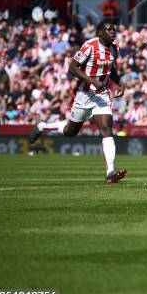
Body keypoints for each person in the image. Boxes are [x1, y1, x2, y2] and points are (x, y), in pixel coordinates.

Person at [29, 22, 127, 184]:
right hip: (83, 94)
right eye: (108, 29)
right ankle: (43, 127)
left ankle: (110, 172)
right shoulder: (89, 46)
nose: (113, 32)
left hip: (101, 95)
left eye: (113, 29)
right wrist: (92, 80)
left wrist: (119, 83)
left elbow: (111, 68)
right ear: (100, 33)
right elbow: (72, 68)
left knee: (106, 129)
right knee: (70, 131)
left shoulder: (114, 48)